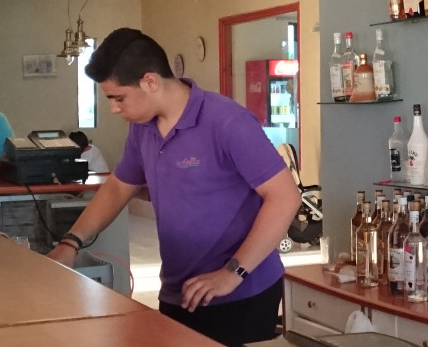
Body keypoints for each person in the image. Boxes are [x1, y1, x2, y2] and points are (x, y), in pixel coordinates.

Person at [48, 28, 301, 347]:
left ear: (150, 81)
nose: (114, 108)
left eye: (118, 98)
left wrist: (232, 272)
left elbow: (285, 197)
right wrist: (71, 242)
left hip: (240, 292)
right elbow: (119, 187)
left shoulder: (228, 122)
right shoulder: (142, 128)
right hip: (179, 291)